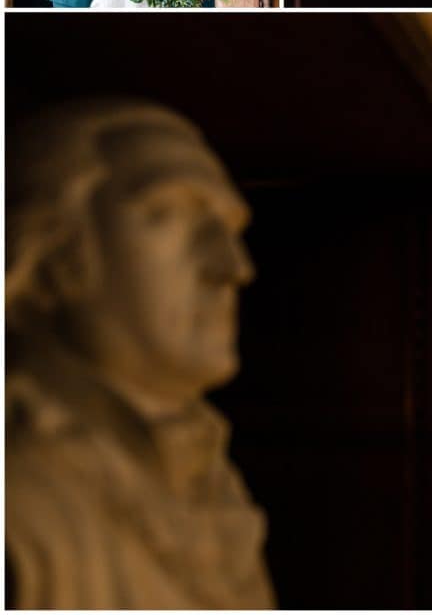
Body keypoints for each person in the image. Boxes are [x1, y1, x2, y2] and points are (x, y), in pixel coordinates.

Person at [6, 98, 275, 608]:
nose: (235, 267)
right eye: (168, 214)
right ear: (53, 257)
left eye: (231, 229)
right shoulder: (23, 511)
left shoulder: (214, 485)